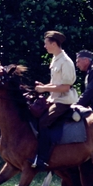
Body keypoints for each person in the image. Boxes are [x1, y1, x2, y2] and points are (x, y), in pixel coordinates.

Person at [30, 30, 78, 168]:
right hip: (55, 99)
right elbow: (56, 83)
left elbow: (65, 87)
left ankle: (43, 159)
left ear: (54, 44)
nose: (44, 46)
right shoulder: (56, 59)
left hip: (64, 101)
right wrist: (44, 86)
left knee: (43, 122)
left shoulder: (66, 62)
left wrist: (44, 89)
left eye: (46, 43)